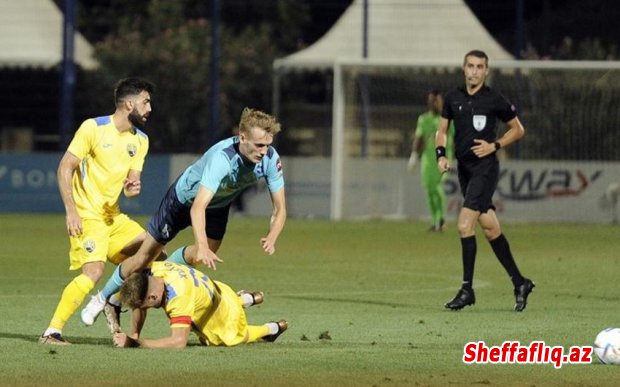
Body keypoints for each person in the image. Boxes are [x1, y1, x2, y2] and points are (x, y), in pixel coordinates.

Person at [81, 107, 287, 326]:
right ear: (242, 137)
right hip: (182, 200)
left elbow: (280, 209)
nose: (264, 151)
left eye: (267, 145)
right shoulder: (223, 159)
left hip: (218, 206)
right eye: (259, 145)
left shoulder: (270, 159)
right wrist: (201, 244)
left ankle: (137, 285)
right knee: (144, 257)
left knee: (200, 256)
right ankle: (102, 298)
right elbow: (197, 207)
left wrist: (272, 236)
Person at [39, 77, 156, 345]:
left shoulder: (141, 140)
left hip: (113, 218)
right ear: (129, 104)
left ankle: (112, 301)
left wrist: (132, 188)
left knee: (153, 250)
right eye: (146, 102)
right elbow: (65, 167)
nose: (150, 108)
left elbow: (130, 186)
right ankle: (51, 332)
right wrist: (71, 211)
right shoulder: (94, 128)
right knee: (93, 271)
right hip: (87, 215)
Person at [435, 50, 535, 312]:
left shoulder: (494, 99)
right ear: (463, 68)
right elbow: (442, 131)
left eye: (480, 67)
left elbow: (518, 129)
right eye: (470, 66)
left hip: (485, 168)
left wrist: (495, 145)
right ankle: (520, 282)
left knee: (464, 225)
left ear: (486, 71)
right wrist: (441, 156)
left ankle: (467, 289)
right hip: (465, 169)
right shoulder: (452, 97)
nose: (475, 71)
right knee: (490, 228)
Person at [112, 261, 288, 348]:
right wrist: (134, 333)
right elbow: (140, 296)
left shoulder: (177, 298)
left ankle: (272, 329)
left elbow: (178, 342)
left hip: (224, 319)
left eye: (143, 306)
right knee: (216, 300)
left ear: (151, 298)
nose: (143, 310)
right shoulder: (156, 270)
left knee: (235, 338)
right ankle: (246, 299)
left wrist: (136, 343)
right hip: (220, 290)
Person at [408, 90, 454, 232]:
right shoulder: (423, 119)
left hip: (443, 158)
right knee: (429, 189)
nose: (433, 103)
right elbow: (419, 138)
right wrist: (414, 156)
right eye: (431, 100)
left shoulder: (448, 119)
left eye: (436, 100)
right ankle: (435, 221)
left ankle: (442, 218)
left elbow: (456, 138)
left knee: (437, 186)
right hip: (427, 159)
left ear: (441, 102)